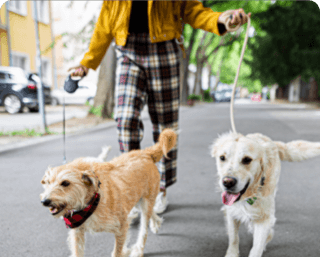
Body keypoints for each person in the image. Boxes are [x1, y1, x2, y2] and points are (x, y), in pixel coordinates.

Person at [70, 1, 251, 217]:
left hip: (164, 50)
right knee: (125, 120)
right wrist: (87, 62)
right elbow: (104, 24)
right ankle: (133, 188)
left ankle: (160, 187)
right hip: (128, 51)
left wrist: (221, 20)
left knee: (165, 128)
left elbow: (193, 10)